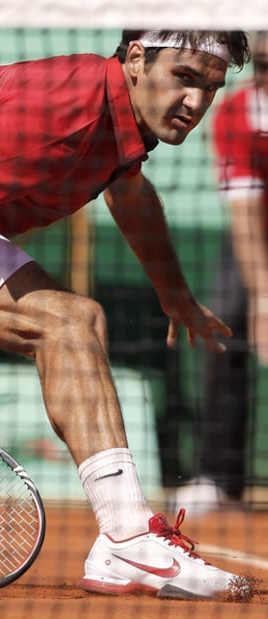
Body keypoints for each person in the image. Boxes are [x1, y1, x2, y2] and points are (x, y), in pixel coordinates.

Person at [0, 30, 253, 600]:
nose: (195, 103)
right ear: (136, 59)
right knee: (69, 322)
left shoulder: (122, 123)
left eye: (209, 88)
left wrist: (175, 296)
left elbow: (129, 193)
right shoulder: (67, 109)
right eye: (184, 78)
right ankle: (127, 540)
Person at [169, 31, 268, 516]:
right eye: (263, 64)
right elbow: (246, 213)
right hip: (253, 236)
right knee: (225, 324)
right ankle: (219, 478)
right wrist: (264, 301)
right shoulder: (237, 113)